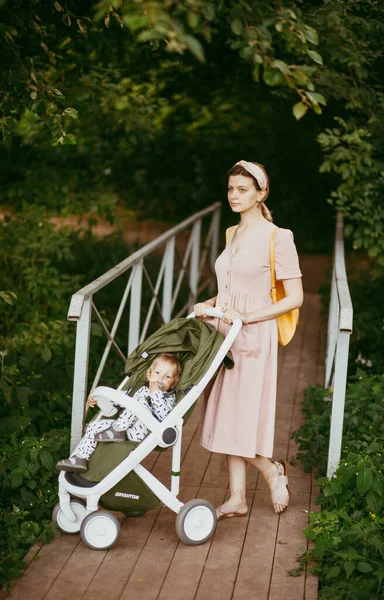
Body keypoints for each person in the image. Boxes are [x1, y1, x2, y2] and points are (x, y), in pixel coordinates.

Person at [194, 160, 303, 519]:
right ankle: (238, 498)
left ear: (262, 193)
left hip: (253, 333)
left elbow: (294, 298)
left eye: (243, 190)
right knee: (226, 413)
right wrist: (210, 303)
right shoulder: (231, 233)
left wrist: (248, 317)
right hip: (223, 330)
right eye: (230, 189)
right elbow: (231, 286)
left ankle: (272, 471)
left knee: (237, 416)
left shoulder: (278, 237)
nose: (234, 196)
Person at [56, 353, 182, 473]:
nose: (160, 378)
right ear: (149, 375)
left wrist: (156, 394)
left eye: (167, 377)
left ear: (172, 384)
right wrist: (98, 397)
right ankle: (80, 459)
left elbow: (164, 416)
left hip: (140, 432)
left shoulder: (167, 398)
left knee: (139, 404)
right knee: (94, 426)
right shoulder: (140, 389)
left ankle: (117, 430)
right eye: (158, 373)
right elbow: (119, 398)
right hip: (121, 429)